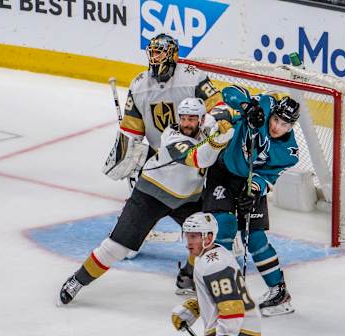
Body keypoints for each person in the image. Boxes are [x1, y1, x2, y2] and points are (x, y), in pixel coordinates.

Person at [59, 97, 234, 305]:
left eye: (192, 119)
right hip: (150, 195)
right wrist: (221, 137)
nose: (186, 123)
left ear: (201, 118)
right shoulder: (171, 135)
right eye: (183, 118)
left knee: (205, 237)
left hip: (188, 199)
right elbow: (201, 159)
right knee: (116, 248)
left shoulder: (207, 126)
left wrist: (227, 116)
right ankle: (78, 280)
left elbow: (225, 110)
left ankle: (187, 277)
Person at [101, 33, 222, 292]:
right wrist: (126, 153)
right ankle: (132, 235)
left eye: (160, 52)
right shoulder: (140, 84)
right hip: (161, 154)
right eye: (152, 51)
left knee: (199, 208)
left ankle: (203, 249)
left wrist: (213, 133)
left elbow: (217, 107)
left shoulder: (193, 76)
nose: (154, 57)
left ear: (172, 54)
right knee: (142, 193)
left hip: (196, 157)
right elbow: (133, 130)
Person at [202, 85, 301, 317]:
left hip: (249, 182)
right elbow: (229, 92)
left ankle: (279, 292)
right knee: (223, 226)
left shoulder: (290, 152)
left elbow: (269, 176)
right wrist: (248, 107)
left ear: (291, 127)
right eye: (276, 120)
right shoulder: (265, 104)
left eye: (284, 124)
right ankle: (223, 290)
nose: (277, 127)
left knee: (255, 238)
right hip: (223, 170)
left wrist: (253, 190)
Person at [171, 212, 261, 336]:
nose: (189, 242)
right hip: (239, 327)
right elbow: (220, 295)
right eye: (187, 236)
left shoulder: (214, 265)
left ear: (208, 238)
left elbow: (233, 308)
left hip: (239, 330)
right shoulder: (213, 254)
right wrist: (195, 307)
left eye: (194, 237)